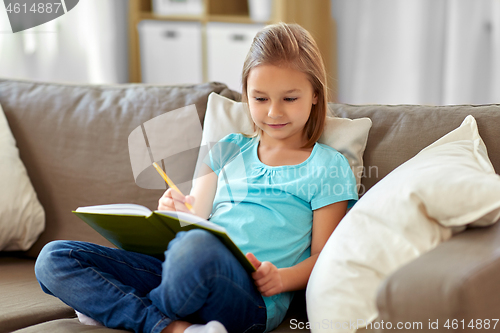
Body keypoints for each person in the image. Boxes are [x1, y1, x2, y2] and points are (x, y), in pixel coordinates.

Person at [34, 23, 357, 333]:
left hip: (249, 297)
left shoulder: (328, 165)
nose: (273, 112)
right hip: (184, 271)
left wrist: (283, 279)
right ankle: (173, 328)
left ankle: (121, 311)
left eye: (289, 98)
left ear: (315, 94)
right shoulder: (228, 148)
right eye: (260, 98)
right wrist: (173, 212)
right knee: (55, 257)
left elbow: (325, 257)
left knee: (199, 245)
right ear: (246, 94)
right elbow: (195, 219)